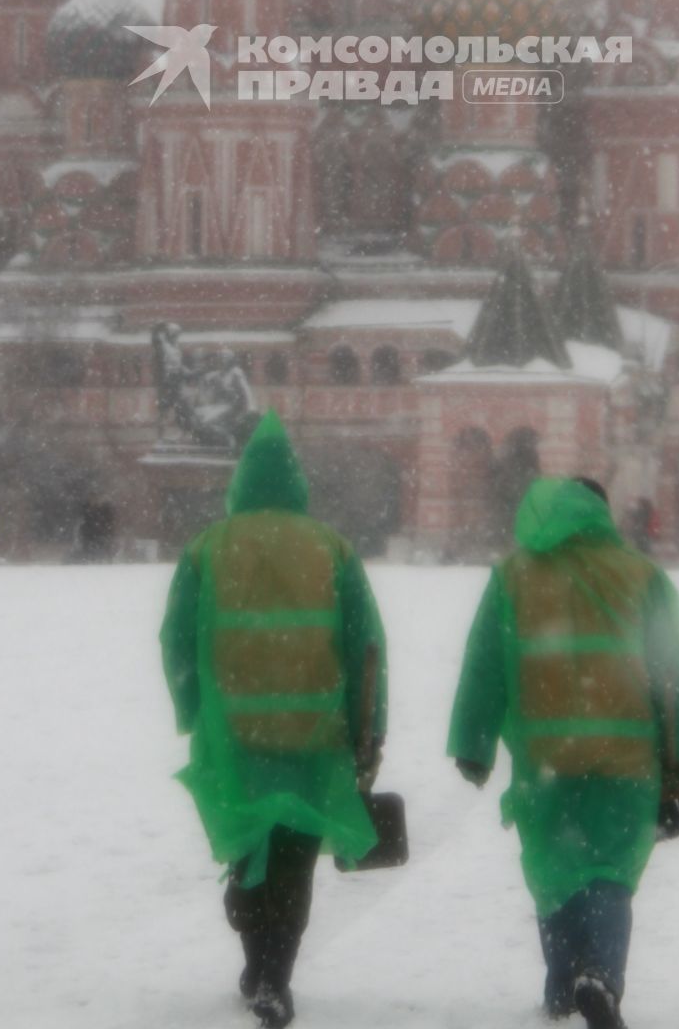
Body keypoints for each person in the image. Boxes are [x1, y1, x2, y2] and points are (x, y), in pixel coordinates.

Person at [448, 476, 679, 1028]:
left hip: (547, 762)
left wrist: (472, 743)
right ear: (602, 515)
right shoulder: (641, 576)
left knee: (553, 871)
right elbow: (675, 673)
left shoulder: (513, 577)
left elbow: (484, 665)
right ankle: (601, 975)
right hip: (626, 760)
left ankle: (563, 987)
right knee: (610, 873)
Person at [160, 411, 387, 1027]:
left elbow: (176, 638)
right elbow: (366, 646)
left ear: (240, 484)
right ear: (296, 485)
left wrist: (192, 710)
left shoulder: (207, 547)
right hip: (313, 735)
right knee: (294, 855)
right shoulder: (332, 548)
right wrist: (371, 731)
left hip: (235, 736)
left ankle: (253, 943)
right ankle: (274, 976)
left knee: (251, 841)